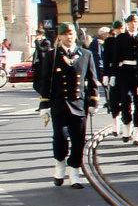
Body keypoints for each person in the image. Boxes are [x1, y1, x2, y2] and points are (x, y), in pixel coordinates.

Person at [35, 22, 100, 188]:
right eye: (65, 34)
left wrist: (93, 101)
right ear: (60, 36)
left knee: (78, 140)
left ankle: (74, 173)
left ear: (75, 36)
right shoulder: (52, 55)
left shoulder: (86, 54)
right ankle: (59, 165)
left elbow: (92, 80)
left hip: (79, 104)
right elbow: (45, 81)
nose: (69, 37)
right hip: (59, 104)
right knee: (60, 137)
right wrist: (44, 104)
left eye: (71, 34)